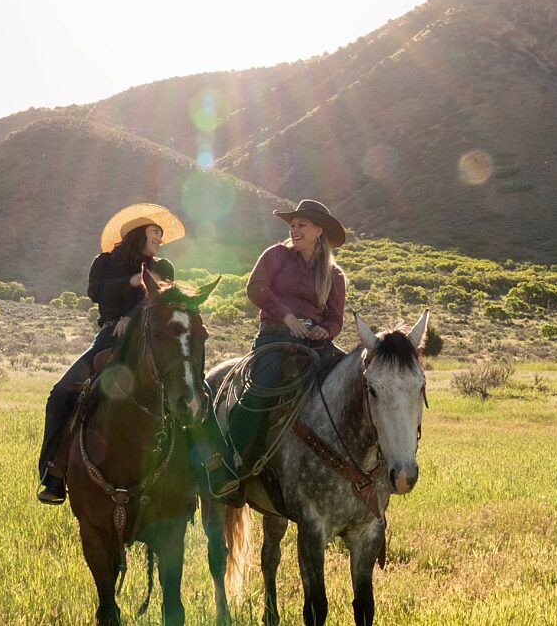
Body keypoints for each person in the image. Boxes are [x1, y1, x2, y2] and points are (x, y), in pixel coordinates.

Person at [36, 203, 183, 505]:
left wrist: (133, 314)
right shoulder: (104, 262)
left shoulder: (163, 268)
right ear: (139, 232)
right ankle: (53, 473)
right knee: (61, 393)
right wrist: (129, 282)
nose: (160, 238)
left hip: (152, 336)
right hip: (110, 334)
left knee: (191, 387)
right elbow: (95, 292)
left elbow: (164, 300)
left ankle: (203, 472)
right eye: (156, 232)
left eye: (161, 234)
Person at [212, 199, 347, 504]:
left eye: (302, 225)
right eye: (293, 224)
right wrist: (287, 318)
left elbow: (335, 319)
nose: (295, 229)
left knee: (354, 383)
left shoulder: (334, 275)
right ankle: (232, 469)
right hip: (275, 337)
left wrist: (324, 330)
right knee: (259, 392)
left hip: (315, 344)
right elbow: (256, 289)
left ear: (318, 231)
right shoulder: (276, 256)